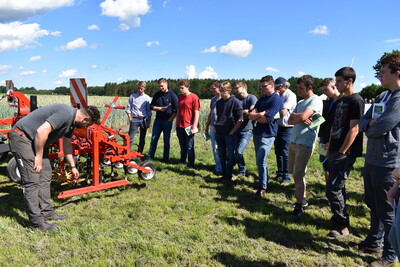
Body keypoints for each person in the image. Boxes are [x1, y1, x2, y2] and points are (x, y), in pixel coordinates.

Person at [8, 104, 100, 232]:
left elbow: (67, 146)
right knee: (31, 180)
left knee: (45, 173)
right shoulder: (66, 114)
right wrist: (38, 157)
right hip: (22, 138)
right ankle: (36, 222)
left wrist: (72, 166)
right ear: (85, 119)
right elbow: (41, 131)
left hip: (36, 141)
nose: (86, 127)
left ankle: (46, 211)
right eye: (87, 125)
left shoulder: (71, 122)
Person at [358, 53, 400, 267]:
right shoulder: (383, 96)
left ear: (397, 73)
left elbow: (383, 126)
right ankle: (373, 241)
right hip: (372, 158)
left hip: (389, 163)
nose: (379, 76)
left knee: (387, 209)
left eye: (383, 72)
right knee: (372, 203)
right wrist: (370, 124)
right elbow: (364, 120)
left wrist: (371, 125)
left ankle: (389, 256)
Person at [324, 67, 364, 238]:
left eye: (339, 81)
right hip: (334, 149)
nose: (336, 84)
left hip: (345, 153)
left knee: (333, 188)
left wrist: (342, 152)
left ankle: (343, 226)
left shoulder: (356, 100)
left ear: (349, 82)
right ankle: (337, 218)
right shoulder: (340, 100)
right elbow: (334, 126)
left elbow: (354, 129)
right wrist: (330, 146)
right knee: (336, 187)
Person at [288, 75, 323, 217]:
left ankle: (298, 206)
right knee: (296, 175)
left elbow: (302, 117)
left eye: (301, 87)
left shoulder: (316, 100)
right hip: (294, 141)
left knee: (298, 175)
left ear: (310, 87)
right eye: (297, 87)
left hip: (305, 143)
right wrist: (299, 117)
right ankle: (302, 200)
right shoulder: (301, 101)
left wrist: (299, 117)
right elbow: (290, 120)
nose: (298, 90)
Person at [248, 75, 283, 198]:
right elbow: (250, 115)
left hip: (268, 134)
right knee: (259, 162)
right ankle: (262, 183)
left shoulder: (276, 100)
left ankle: (263, 187)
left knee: (260, 160)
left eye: (264, 86)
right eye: (261, 86)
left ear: (272, 85)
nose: (262, 89)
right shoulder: (262, 99)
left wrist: (258, 115)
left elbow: (266, 120)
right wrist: (260, 113)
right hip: (258, 133)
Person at [214, 81, 243, 187]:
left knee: (230, 156)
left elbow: (240, 119)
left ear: (229, 90)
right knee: (221, 155)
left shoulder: (236, 102)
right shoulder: (219, 102)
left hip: (230, 133)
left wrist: (232, 132)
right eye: (220, 91)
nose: (221, 93)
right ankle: (224, 175)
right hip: (219, 132)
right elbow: (219, 116)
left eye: (223, 91)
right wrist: (216, 128)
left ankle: (229, 176)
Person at [317, 78, 341, 200]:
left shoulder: (341, 102)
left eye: (326, 90)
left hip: (332, 141)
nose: (325, 92)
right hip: (324, 138)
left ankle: (333, 193)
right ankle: (328, 191)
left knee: (332, 167)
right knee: (325, 164)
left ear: (334, 87)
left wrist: (329, 141)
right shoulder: (329, 101)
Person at [147, 78, 178, 162]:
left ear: (166, 84)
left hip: (167, 121)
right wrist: (159, 108)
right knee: (154, 139)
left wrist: (170, 120)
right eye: (159, 86)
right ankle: (150, 157)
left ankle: (165, 158)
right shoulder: (157, 94)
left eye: (162, 86)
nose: (161, 88)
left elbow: (176, 109)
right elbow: (151, 106)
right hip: (158, 121)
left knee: (166, 140)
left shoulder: (172, 95)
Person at [273, 77, 297, 186]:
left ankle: (286, 176)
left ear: (284, 86)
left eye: (278, 87)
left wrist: (276, 100)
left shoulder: (290, 95)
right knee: (278, 151)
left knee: (285, 152)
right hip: (278, 125)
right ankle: (280, 173)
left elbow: (282, 112)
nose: (276, 89)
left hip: (287, 127)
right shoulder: (279, 95)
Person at [234, 82, 257, 177]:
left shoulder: (252, 98)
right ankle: (242, 170)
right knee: (238, 151)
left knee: (239, 151)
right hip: (236, 128)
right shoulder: (237, 99)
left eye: (237, 88)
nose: (235, 90)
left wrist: (240, 112)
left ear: (243, 87)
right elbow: (234, 112)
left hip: (247, 129)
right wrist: (244, 112)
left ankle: (229, 164)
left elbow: (251, 113)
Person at [176, 79, 200, 168]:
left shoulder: (194, 97)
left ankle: (191, 164)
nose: (180, 90)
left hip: (189, 126)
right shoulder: (180, 97)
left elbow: (196, 112)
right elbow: (179, 111)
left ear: (187, 87)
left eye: (182, 88)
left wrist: (194, 126)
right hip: (180, 125)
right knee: (182, 145)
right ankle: (182, 161)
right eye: (179, 88)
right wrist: (176, 124)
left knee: (189, 146)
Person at [126, 81, 152, 154]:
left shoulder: (147, 98)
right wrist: (130, 118)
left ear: (144, 88)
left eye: (141, 88)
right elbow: (128, 108)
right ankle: (127, 152)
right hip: (134, 119)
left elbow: (149, 111)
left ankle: (139, 153)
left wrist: (148, 122)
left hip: (143, 120)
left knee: (142, 138)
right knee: (130, 138)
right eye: (138, 88)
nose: (140, 90)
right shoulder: (132, 96)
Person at [205, 81, 223, 175]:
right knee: (215, 148)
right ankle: (218, 168)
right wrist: (207, 126)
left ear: (219, 88)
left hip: (222, 128)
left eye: (214, 88)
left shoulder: (224, 99)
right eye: (211, 89)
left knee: (222, 148)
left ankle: (224, 167)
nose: (212, 90)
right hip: (213, 127)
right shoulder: (213, 100)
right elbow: (211, 113)